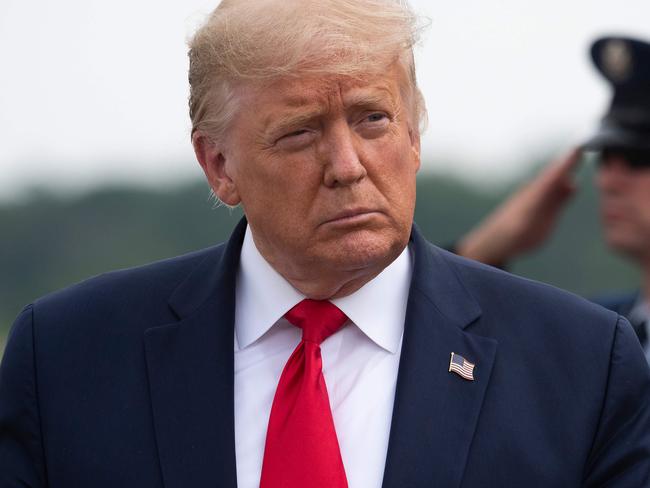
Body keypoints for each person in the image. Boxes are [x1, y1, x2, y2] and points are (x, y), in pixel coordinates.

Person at [0, 2, 649, 487]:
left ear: (415, 132)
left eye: (373, 119)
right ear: (219, 165)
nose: (347, 164)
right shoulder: (66, 358)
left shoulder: (582, 366)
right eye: (300, 133)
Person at [457, 36, 650, 360]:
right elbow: (436, 334)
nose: (606, 181)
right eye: (605, 158)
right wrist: (486, 248)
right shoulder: (599, 334)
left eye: (636, 157)